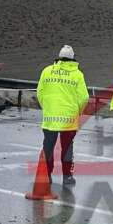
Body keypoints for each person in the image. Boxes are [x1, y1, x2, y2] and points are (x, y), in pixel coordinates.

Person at [36, 45, 88, 184]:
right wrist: (78, 112)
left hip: (50, 116)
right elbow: (84, 98)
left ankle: (46, 174)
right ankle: (67, 176)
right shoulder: (77, 74)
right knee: (67, 147)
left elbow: (39, 92)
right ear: (72, 58)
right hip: (69, 118)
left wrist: (46, 107)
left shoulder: (47, 71)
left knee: (48, 146)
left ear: (59, 57)